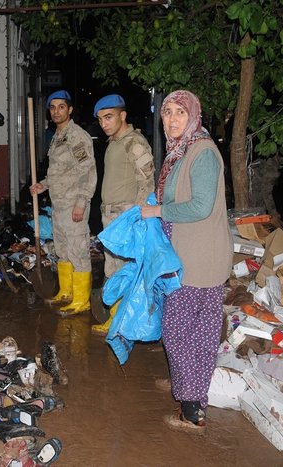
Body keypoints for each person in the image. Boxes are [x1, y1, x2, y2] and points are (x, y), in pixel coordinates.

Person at [140, 90, 231, 434]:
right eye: (167, 113)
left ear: (193, 115)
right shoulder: (183, 150)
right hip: (190, 253)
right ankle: (189, 385)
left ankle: (192, 407)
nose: (173, 119)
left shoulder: (202, 152)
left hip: (199, 258)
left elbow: (200, 206)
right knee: (194, 330)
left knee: (180, 331)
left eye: (180, 112)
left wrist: (157, 210)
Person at [92, 94, 155, 336]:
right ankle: (117, 320)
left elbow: (147, 182)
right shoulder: (114, 142)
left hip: (126, 216)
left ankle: (123, 323)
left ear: (122, 115)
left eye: (108, 117)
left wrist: (136, 217)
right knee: (114, 270)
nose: (104, 124)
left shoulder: (134, 142)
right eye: (100, 119)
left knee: (125, 271)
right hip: (111, 216)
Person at [30, 90, 97, 316]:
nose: (56, 111)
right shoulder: (58, 136)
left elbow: (87, 172)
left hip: (73, 204)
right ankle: (67, 293)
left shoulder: (77, 136)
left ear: (69, 110)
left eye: (61, 107)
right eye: (53, 107)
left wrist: (81, 202)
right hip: (59, 204)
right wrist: (43, 185)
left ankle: (81, 300)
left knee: (78, 251)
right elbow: (60, 172)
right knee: (63, 250)